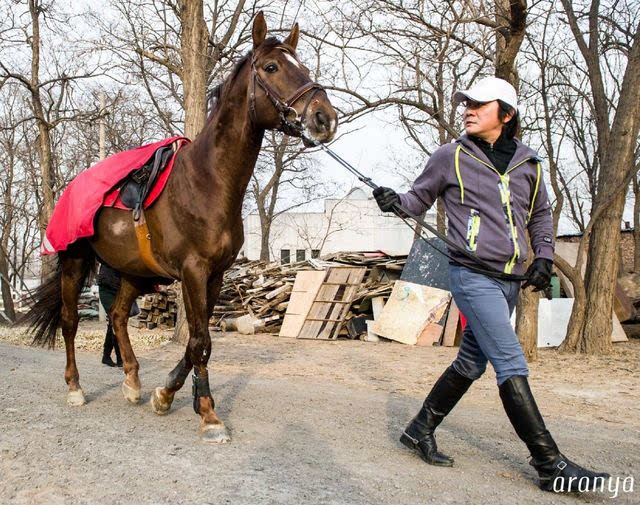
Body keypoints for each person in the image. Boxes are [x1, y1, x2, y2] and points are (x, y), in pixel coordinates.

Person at [373, 76, 608, 493]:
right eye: (467, 103)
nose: (469, 109)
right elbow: (417, 199)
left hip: (512, 281)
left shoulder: (528, 163)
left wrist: (545, 257)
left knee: (471, 363)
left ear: (507, 114)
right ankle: (549, 464)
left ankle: (418, 429)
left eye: (480, 104)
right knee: (510, 361)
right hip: (472, 275)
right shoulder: (450, 156)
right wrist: (395, 202)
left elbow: (540, 217)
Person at [97, 263, 123, 367]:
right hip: (106, 290)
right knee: (115, 321)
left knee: (112, 324)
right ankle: (120, 358)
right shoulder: (106, 256)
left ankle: (106, 356)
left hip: (117, 290)